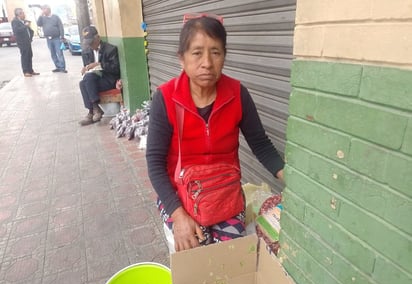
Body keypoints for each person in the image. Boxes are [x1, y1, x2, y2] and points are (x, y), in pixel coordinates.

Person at [146, 14, 284, 252]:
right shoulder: (166, 98)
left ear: (224, 56)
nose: (207, 63)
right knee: (193, 258)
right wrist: (178, 215)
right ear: (182, 58)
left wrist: (292, 181)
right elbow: (155, 162)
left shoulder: (237, 94)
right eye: (197, 53)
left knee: (230, 258)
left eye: (216, 52)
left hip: (225, 197)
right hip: (180, 198)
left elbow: (261, 144)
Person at [78, 26, 120, 126]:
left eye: (91, 42)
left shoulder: (110, 49)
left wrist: (99, 65)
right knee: (83, 82)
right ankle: (94, 109)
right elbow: (88, 68)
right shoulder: (87, 52)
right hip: (94, 80)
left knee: (86, 80)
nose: (90, 46)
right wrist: (86, 68)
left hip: (108, 79)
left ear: (98, 38)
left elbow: (115, 69)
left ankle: (92, 110)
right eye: (88, 43)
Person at [36, 4, 66, 73]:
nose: (43, 11)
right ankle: (58, 66)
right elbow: (38, 24)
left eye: (44, 9)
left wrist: (62, 36)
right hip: (48, 39)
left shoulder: (55, 17)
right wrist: (40, 15)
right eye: (42, 9)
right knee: (53, 54)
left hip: (57, 38)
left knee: (59, 53)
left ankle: (62, 67)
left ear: (48, 9)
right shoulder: (42, 18)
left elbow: (60, 27)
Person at [11, 8, 39, 77]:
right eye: (23, 13)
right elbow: (16, 30)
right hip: (22, 42)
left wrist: (31, 37)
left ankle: (30, 71)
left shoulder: (23, 21)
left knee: (29, 55)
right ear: (19, 14)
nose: (24, 14)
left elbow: (29, 30)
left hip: (28, 41)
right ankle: (26, 72)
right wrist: (25, 26)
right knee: (25, 56)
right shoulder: (15, 21)